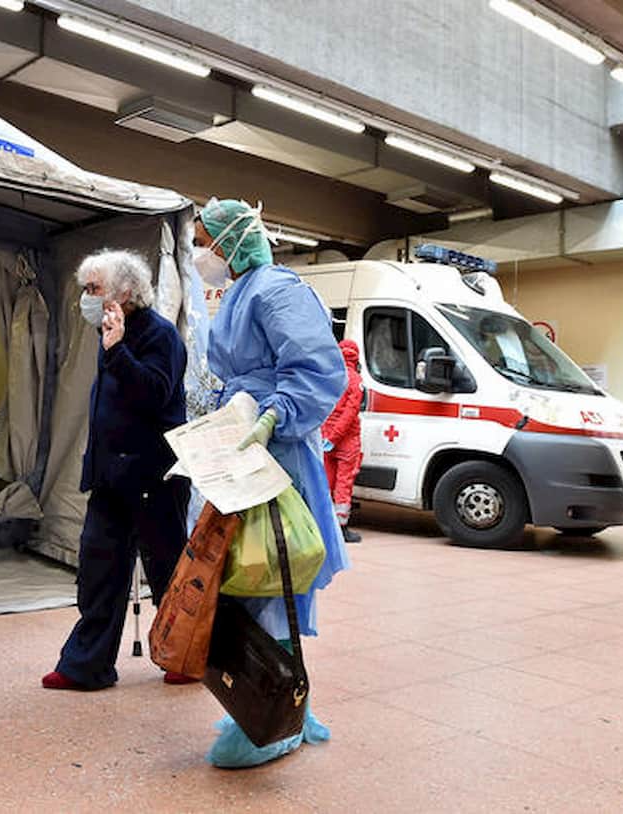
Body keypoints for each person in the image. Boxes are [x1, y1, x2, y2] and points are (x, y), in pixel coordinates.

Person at [193, 199, 350, 768]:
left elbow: (317, 368)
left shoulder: (277, 289)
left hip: (274, 448)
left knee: (271, 577)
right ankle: (270, 693)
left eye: (203, 241)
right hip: (242, 446)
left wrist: (274, 415)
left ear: (231, 240)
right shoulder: (240, 291)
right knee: (241, 579)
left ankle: (278, 719)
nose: (199, 253)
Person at [42, 249, 193, 691]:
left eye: (95, 289)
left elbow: (156, 394)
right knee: (99, 570)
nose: (87, 298)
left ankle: (184, 655)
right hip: (111, 476)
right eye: (86, 289)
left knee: (167, 571)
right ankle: (85, 666)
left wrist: (119, 350)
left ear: (126, 293)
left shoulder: (159, 335)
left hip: (154, 477)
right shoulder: (109, 330)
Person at [323, 340, 364, 543]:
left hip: (326, 438)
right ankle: (341, 527)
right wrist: (336, 436)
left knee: (325, 483)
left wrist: (327, 436)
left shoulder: (329, 378)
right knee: (344, 484)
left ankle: (323, 525)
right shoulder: (355, 381)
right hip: (346, 440)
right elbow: (350, 413)